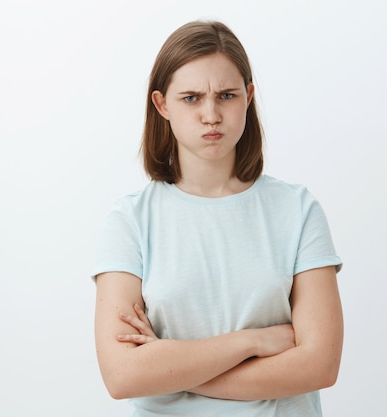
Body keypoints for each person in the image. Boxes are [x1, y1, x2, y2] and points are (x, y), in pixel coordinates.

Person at [93, 20, 343, 417]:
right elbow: (122, 376)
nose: (211, 114)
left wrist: (166, 367)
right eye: (191, 98)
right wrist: (251, 342)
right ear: (162, 105)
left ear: (248, 97)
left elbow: (320, 365)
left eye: (226, 95)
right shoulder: (130, 220)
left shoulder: (297, 210)